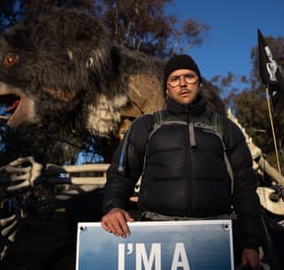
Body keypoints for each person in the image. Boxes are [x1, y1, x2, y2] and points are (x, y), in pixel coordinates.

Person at [101, 54, 264, 269]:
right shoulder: (146, 126)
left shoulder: (225, 128)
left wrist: (251, 244)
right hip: (157, 237)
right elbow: (120, 175)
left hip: (215, 237)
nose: (183, 83)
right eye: (175, 79)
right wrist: (113, 207)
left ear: (200, 83)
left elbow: (244, 188)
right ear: (167, 88)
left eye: (189, 76)